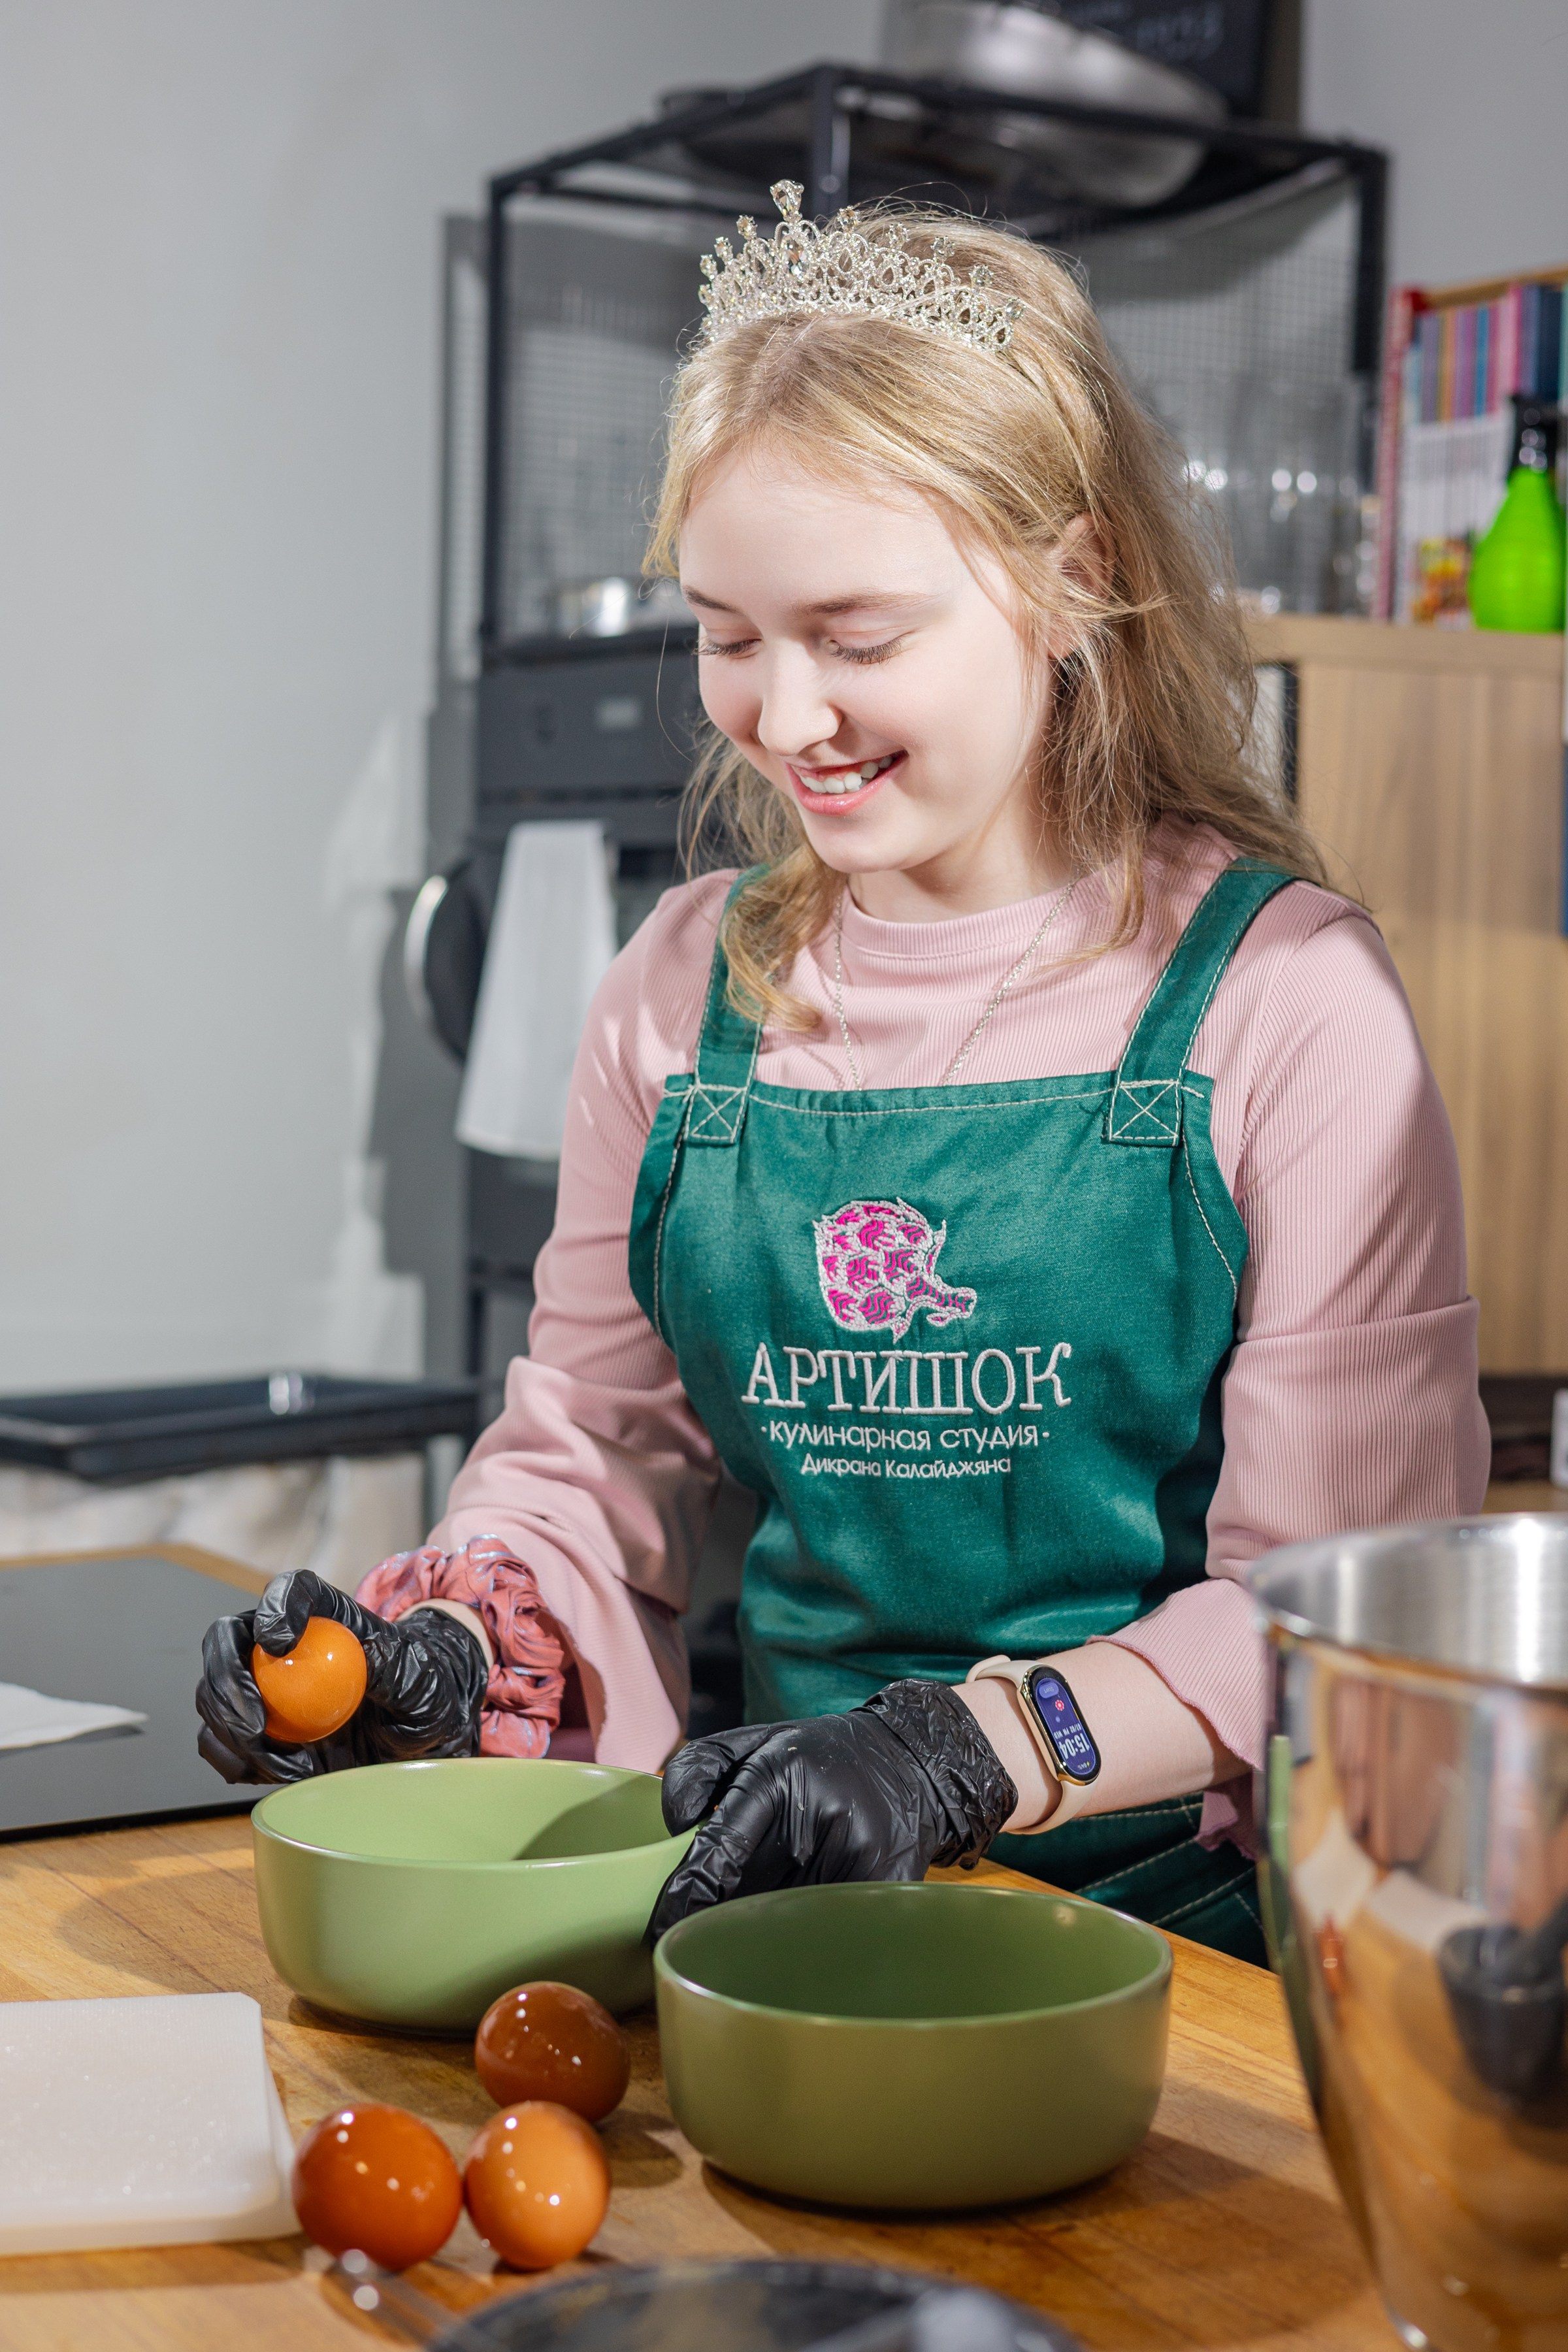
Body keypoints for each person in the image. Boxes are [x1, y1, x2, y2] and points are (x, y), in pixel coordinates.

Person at [197, 186, 1488, 1963]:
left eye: (859, 638)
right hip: (787, 1913)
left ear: (1073, 578)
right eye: (730, 634)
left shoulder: (1287, 1005)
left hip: (1194, 1952)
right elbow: (592, 1463)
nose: (785, 718)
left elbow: (1333, 1614)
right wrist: (453, 1645)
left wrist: (961, 1750)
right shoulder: (681, 995)